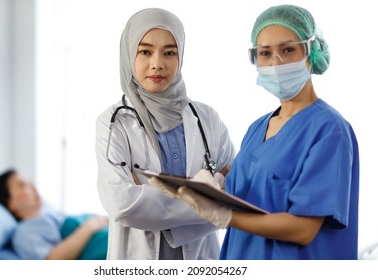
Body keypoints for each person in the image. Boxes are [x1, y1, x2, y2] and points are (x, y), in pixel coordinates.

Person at [150, 4, 359, 260]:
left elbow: (303, 229)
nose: (275, 62)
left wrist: (226, 216)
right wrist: (213, 187)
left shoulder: (329, 129)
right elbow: (249, 195)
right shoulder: (257, 128)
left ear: (311, 51)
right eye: (265, 53)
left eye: (288, 49)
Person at [95, 7, 236, 260]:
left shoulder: (207, 119)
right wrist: (209, 195)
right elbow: (121, 204)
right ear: (129, 55)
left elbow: (235, 193)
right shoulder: (114, 122)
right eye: (145, 51)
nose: (157, 64)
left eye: (169, 52)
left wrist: (148, 197)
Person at [0, 169, 109, 260]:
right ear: (9, 203)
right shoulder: (24, 232)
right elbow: (52, 262)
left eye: (30, 183)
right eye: (23, 185)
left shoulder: (52, 216)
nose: (33, 187)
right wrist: (89, 227)